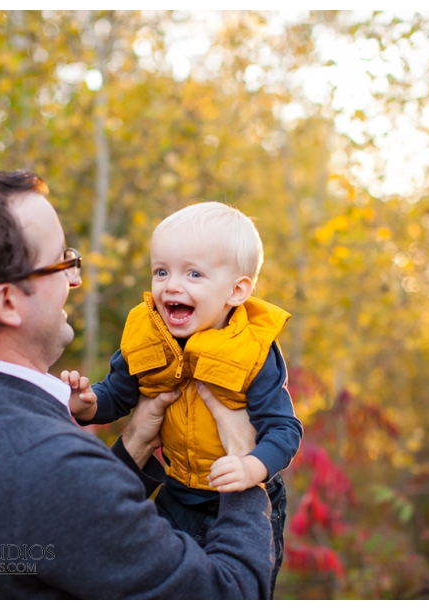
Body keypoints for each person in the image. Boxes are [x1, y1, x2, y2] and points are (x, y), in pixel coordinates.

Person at [0, 164, 274, 599]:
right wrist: (245, 474)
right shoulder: (47, 464)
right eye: (61, 262)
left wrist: (133, 448)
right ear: (9, 301)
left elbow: (63, 536)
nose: (76, 277)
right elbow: (228, 595)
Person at [62, 202, 302, 594]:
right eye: (161, 271)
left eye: (194, 273)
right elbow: (120, 392)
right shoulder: (148, 335)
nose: (171, 286)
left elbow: (284, 429)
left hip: (244, 497)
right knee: (151, 580)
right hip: (177, 491)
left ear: (237, 290)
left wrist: (253, 468)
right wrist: (91, 405)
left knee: (235, 590)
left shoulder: (253, 351)